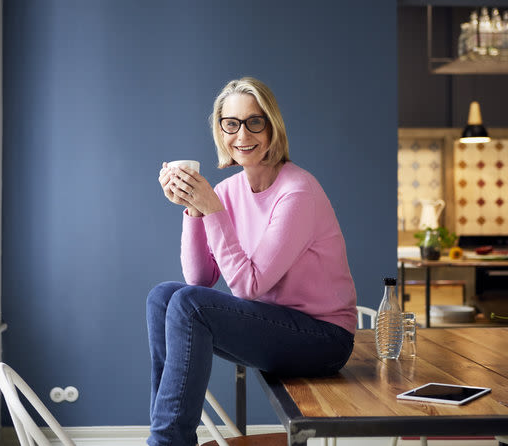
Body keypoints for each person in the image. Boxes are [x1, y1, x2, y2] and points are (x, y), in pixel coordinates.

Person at [147, 77, 357, 446]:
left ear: (272, 127)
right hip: (272, 327)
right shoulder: (227, 191)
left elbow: (248, 286)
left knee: (186, 303)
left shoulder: (297, 192)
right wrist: (194, 211)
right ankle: (168, 436)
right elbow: (199, 278)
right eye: (231, 123)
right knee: (163, 297)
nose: (242, 134)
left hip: (323, 339)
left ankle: (167, 443)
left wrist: (212, 208)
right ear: (220, 130)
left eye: (254, 122)